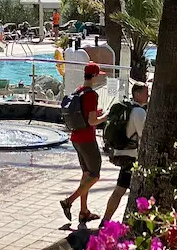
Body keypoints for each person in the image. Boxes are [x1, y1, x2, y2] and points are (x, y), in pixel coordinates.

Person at [59, 62, 108, 224]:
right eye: (98, 75)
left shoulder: (78, 91)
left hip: (76, 138)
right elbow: (93, 121)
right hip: (87, 139)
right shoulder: (92, 95)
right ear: (93, 76)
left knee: (86, 174)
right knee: (94, 175)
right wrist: (106, 116)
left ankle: (84, 212)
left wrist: (95, 114)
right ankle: (69, 201)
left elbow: (84, 114)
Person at [102, 82, 149, 225]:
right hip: (133, 157)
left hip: (121, 153)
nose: (148, 95)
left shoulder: (125, 108)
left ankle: (105, 221)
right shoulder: (139, 112)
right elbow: (144, 136)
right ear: (137, 94)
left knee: (119, 191)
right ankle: (131, 224)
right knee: (135, 193)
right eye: (145, 93)